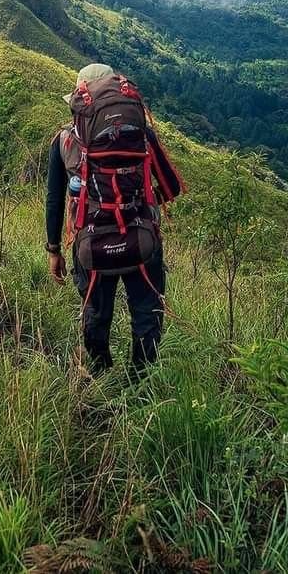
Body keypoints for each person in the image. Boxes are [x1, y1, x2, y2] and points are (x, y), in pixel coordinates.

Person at [45, 63, 184, 375]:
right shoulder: (140, 135)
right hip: (141, 238)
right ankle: (141, 381)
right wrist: (137, 199)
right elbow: (171, 187)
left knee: (96, 314)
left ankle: (101, 377)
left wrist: (53, 250)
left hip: (91, 243)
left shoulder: (63, 141)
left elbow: (54, 200)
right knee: (146, 313)